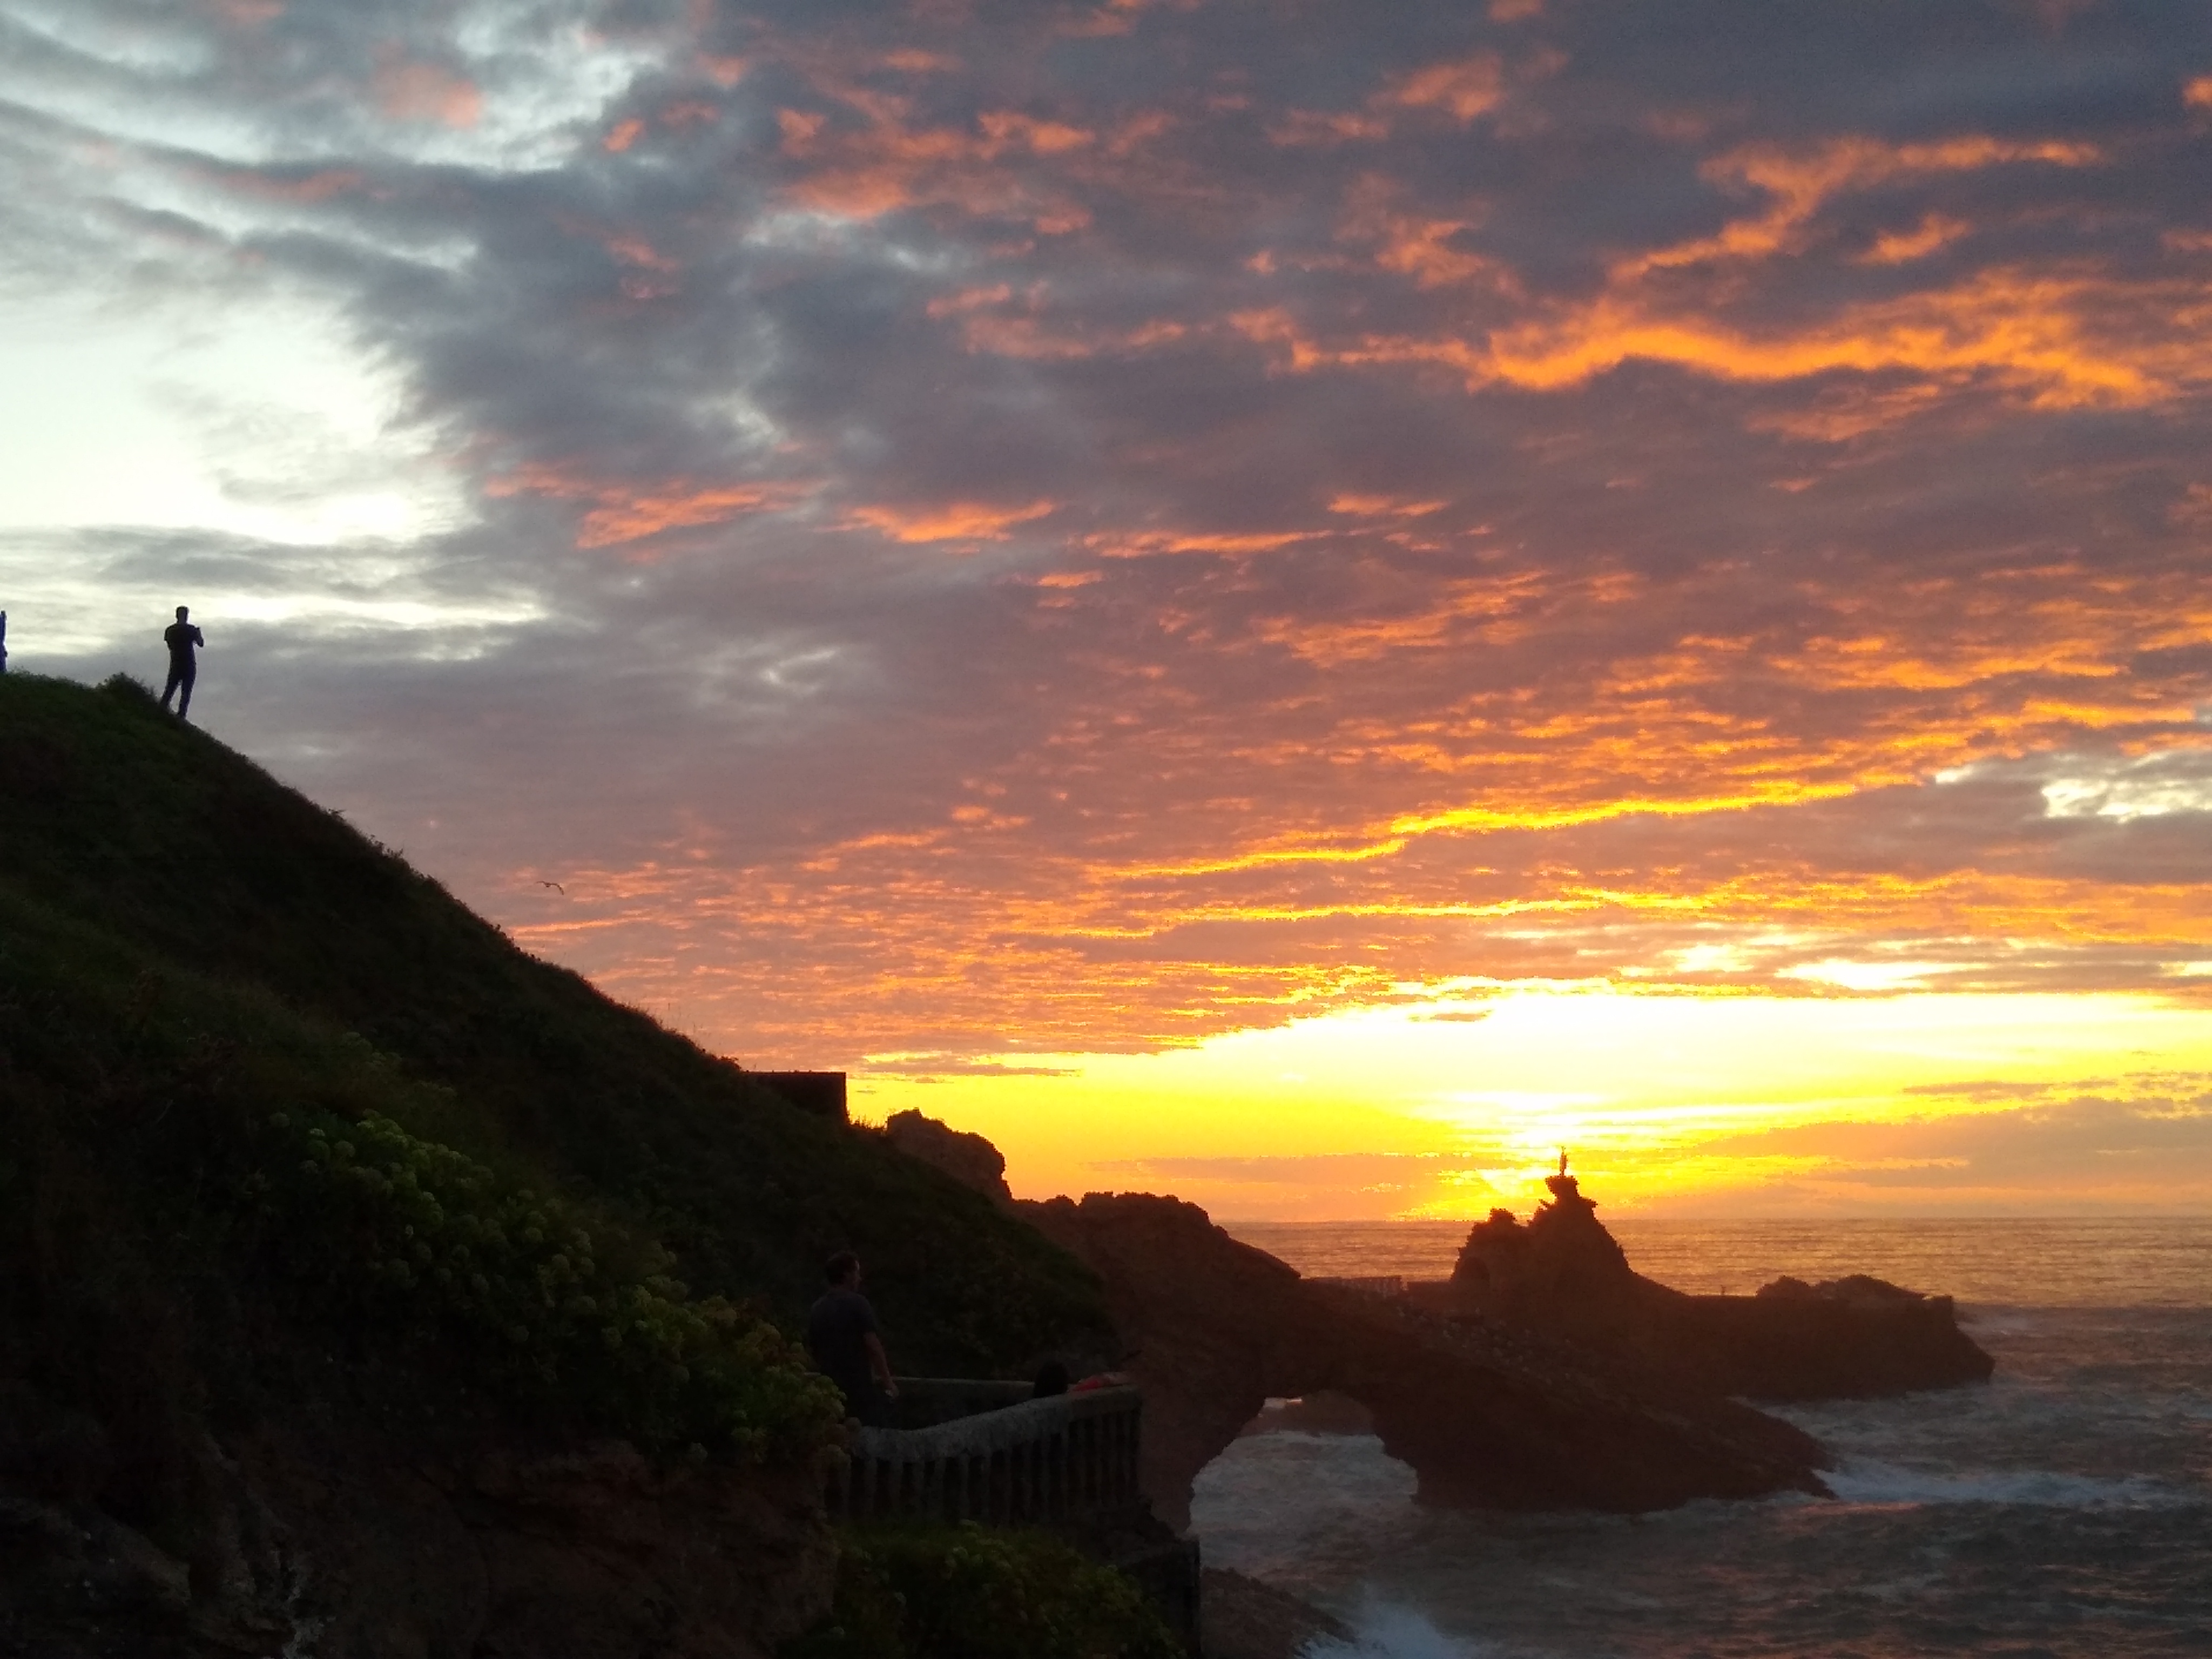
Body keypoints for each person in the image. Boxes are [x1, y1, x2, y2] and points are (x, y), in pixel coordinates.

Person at [806, 1251, 897, 1426]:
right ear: (847, 1275)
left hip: (829, 1390)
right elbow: (872, 1345)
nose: (860, 1278)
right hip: (859, 1389)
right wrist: (888, 1382)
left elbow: (814, 1349)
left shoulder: (817, 1309)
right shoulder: (858, 1304)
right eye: (857, 1272)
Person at [160, 606, 204, 719]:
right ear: (187, 615)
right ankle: (181, 717)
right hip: (189, 664)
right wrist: (198, 634)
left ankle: (161, 710)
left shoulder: (170, 630)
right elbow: (201, 643)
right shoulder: (192, 630)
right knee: (186, 693)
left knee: (170, 689)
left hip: (176, 663)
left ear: (176, 615)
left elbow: (170, 646)